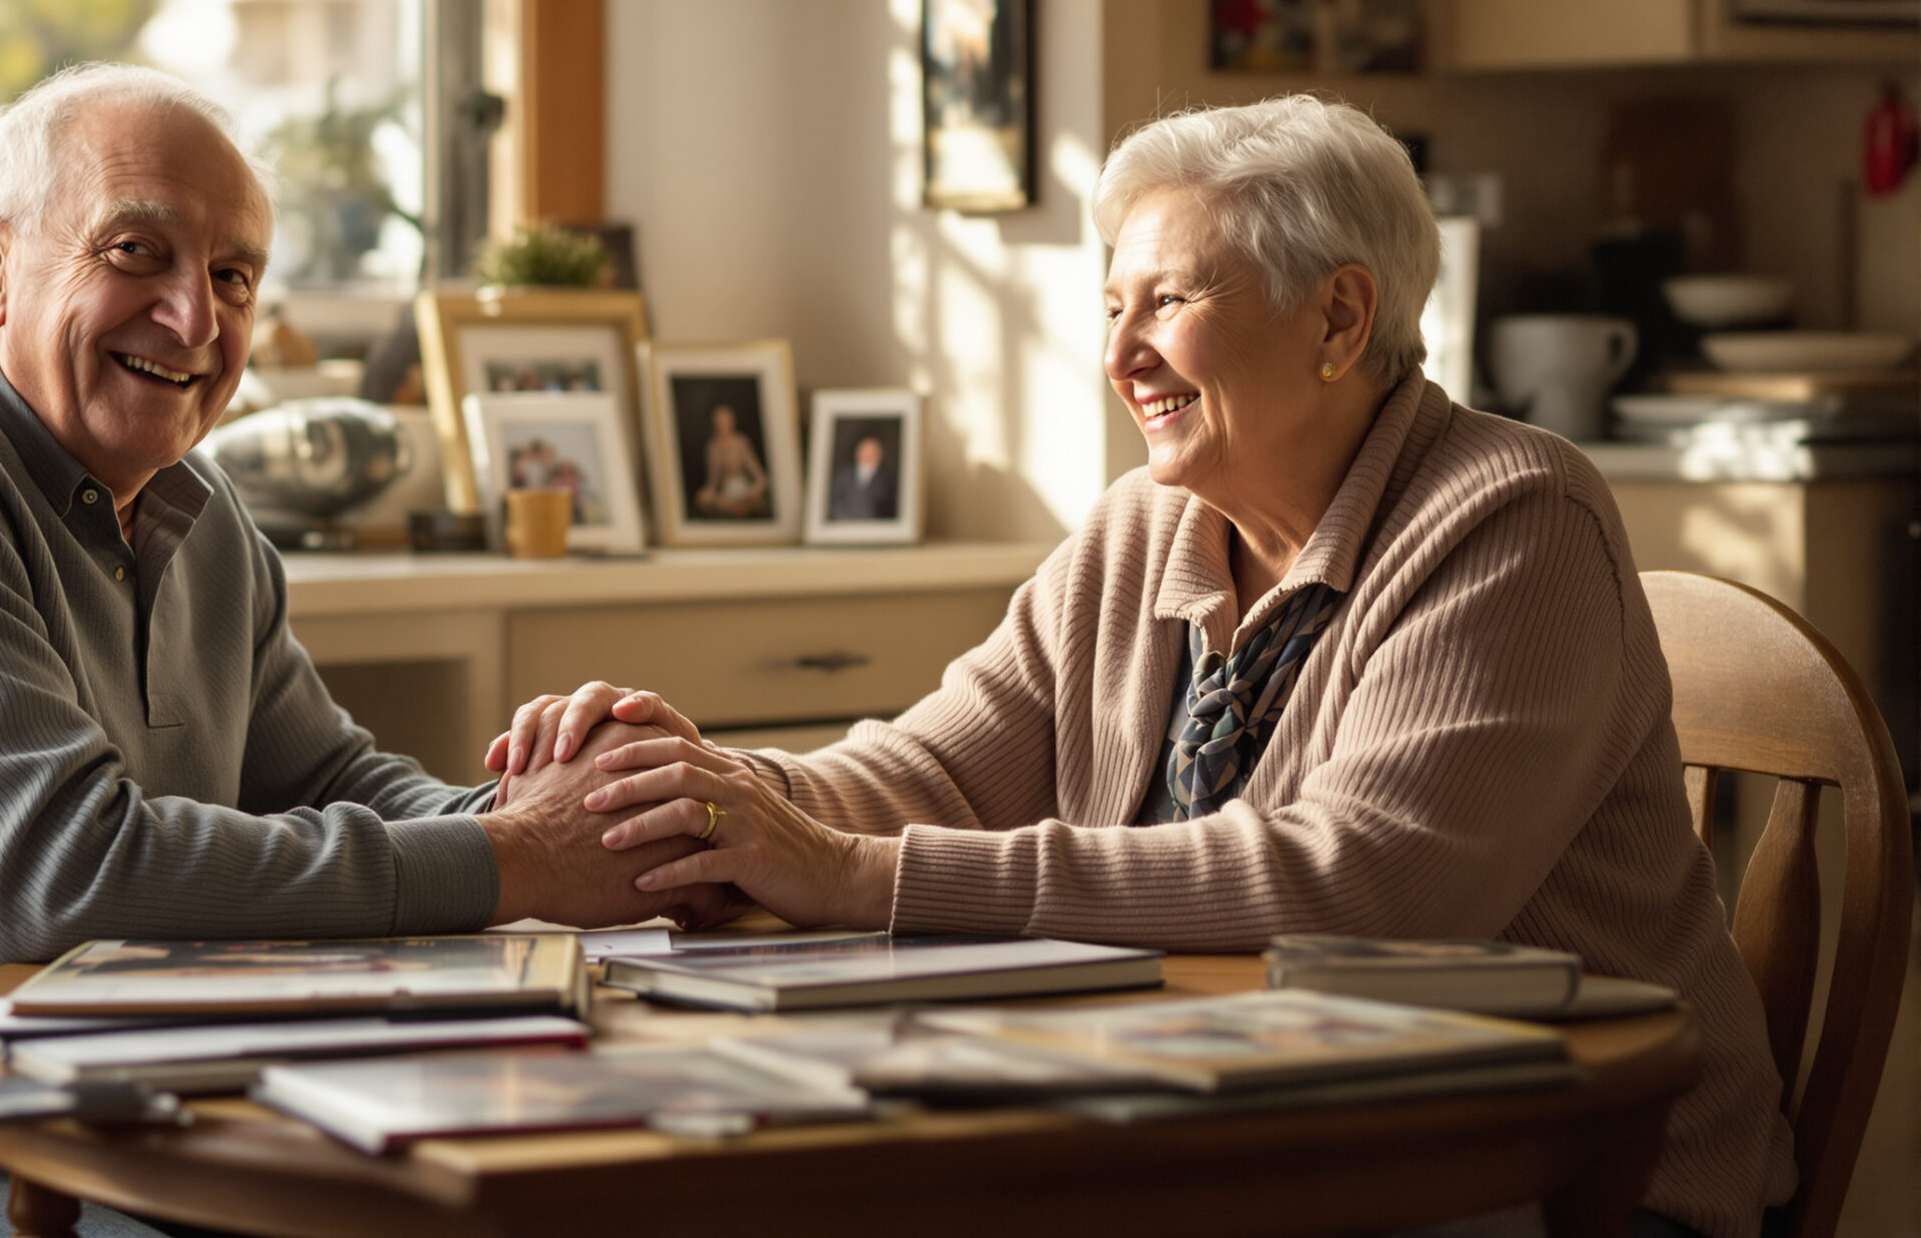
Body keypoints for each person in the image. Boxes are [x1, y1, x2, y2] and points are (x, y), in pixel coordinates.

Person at [492, 96, 1792, 1238]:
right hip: (1232, 1142)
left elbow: (1359, 882)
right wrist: (707, 795)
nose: (1119, 355)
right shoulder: (1144, 530)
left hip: (1553, 1178)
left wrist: (851, 875)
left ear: (1341, 316)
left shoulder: (1511, 516)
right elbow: (937, 763)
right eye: (1112, 306)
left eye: (1168, 301)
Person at [0, 62, 714, 1238]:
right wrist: (516, 857)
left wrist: (575, 808)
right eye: (138, 253)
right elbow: (56, 876)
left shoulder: (196, 507)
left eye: (232, 276)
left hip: (98, 1108)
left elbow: (330, 777)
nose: (196, 319)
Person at [690, 403, 768, 517]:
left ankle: (739, 507)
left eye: (725, 420)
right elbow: (713, 479)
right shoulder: (713, 446)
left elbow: (759, 475)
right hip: (726, 494)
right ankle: (735, 508)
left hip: (744, 490)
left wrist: (757, 487)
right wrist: (708, 491)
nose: (723, 424)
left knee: (756, 499)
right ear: (714, 423)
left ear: (732, 421)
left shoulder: (741, 442)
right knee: (703, 499)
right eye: (719, 421)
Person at [827, 433, 897, 521]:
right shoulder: (845, 475)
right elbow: (835, 502)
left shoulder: (888, 478)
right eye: (865, 451)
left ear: (879, 454)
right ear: (858, 453)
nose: (868, 455)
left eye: (872, 452)